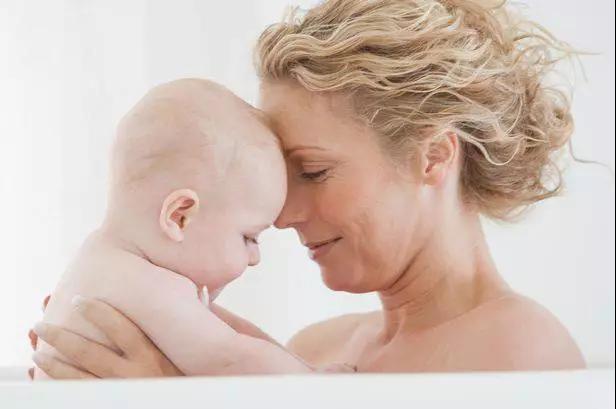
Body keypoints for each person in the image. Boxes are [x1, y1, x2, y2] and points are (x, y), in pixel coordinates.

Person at [31, 0, 585, 379]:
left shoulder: (520, 349)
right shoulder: (312, 350)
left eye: (313, 172)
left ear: (434, 155)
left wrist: (176, 399)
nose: (280, 215)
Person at [32, 78, 312, 379]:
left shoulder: (104, 261)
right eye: (249, 237)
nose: (256, 258)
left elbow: (232, 334)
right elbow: (231, 357)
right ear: (180, 217)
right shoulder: (149, 285)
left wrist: (297, 362)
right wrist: (312, 380)